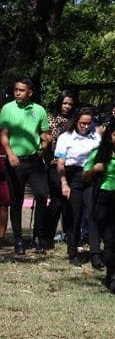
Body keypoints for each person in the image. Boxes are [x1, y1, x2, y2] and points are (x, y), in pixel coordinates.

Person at [0, 78, 51, 254]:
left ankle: (38, 236)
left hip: (34, 161)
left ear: (30, 92)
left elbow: (45, 133)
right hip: (15, 161)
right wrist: (10, 154)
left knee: (42, 195)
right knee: (16, 201)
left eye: (22, 90)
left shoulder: (39, 110)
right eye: (16, 90)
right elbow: (4, 134)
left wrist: (44, 146)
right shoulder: (8, 109)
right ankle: (18, 239)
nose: (18, 93)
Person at [82, 120, 115, 293]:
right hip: (103, 199)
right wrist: (95, 169)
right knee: (109, 238)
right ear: (109, 136)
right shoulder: (97, 153)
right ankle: (112, 275)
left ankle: (111, 271)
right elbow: (84, 177)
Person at [55, 107, 103, 267]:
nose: (85, 126)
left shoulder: (95, 137)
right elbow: (60, 164)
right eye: (82, 123)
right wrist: (64, 183)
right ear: (76, 121)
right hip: (72, 176)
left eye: (88, 123)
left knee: (92, 214)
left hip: (91, 176)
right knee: (74, 216)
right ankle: (72, 251)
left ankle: (95, 253)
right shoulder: (65, 138)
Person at [45, 90, 77, 247]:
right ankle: (47, 236)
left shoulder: (77, 121)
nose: (68, 106)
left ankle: (69, 235)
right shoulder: (51, 119)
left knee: (69, 202)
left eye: (70, 104)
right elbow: (48, 143)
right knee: (56, 202)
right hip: (54, 164)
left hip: (73, 166)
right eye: (65, 103)